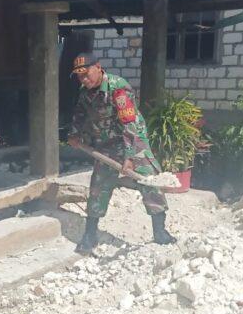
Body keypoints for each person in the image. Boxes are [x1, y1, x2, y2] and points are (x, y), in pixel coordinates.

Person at [67, 52, 175, 254]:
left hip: (133, 141)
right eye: (79, 76)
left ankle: (160, 232)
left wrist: (130, 157)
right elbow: (80, 113)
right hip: (107, 144)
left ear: (98, 67)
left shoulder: (118, 88)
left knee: (149, 182)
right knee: (98, 187)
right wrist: (75, 134)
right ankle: (90, 235)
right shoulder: (85, 91)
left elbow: (130, 125)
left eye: (86, 74)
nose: (83, 79)